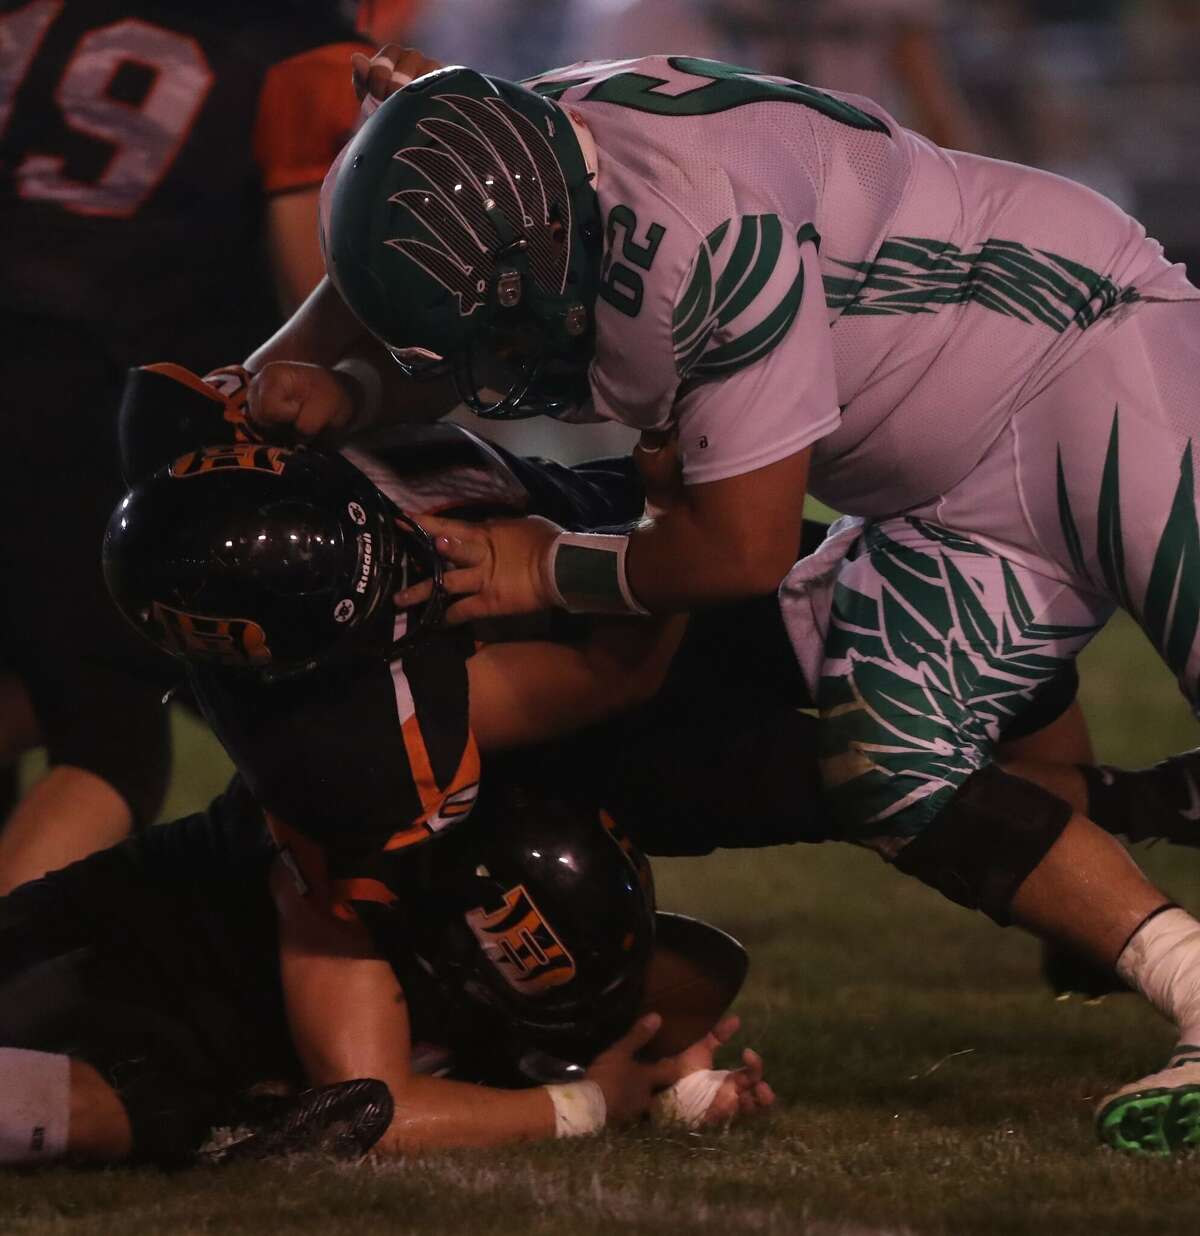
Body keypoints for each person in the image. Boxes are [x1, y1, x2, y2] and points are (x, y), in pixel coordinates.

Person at [244, 50, 1200, 1153]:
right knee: (889, 775)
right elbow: (446, 254)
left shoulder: (704, 237)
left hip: (1092, 351)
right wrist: (308, 363)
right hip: (943, 502)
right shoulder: (517, 154)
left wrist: (543, 564)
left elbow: (739, 551)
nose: (494, 360)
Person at [0, 0, 368, 892]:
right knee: (112, 744)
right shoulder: (293, 39)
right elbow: (315, 292)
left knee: (19, 691)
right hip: (76, 379)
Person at [0, 771, 770, 1166]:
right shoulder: (345, 858)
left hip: (170, 1036)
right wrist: (589, 1104)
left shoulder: (450, 885)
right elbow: (371, 1110)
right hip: (76, 980)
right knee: (142, 1117)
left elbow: (549, 1021)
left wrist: (678, 1079)